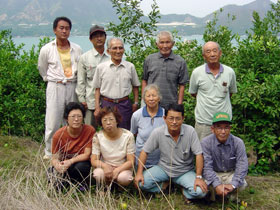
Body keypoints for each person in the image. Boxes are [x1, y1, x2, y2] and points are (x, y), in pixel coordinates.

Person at [134, 104, 207, 204]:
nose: (174, 122)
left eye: (178, 119)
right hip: (163, 168)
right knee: (140, 183)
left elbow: (199, 154)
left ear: (183, 119)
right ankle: (164, 185)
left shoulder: (190, 131)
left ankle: (184, 190)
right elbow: (144, 151)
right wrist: (139, 173)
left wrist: (199, 177)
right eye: (171, 118)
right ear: (165, 118)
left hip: (184, 171)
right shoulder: (158, 132)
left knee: (201, 192)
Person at [38, 16, 82, 159]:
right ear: (55, 30)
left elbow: (80, 69)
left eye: (67, 28)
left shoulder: (77, 49)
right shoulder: (47, 49)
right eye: (61, 28)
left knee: (71, 118)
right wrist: (50, 80)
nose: (64, 31)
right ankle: (50, 152)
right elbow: (42, 68)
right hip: (55, 86)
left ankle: (69, 150)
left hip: (72, 85)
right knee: (53, 119)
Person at [189, 41, 237, 140]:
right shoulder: (197, 72)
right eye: (208, 51)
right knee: (202, 151)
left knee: (224, 151)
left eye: (215, 51)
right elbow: (193, 93)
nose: (212, 54)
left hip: (224, 121)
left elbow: (230, 93)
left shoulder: (229, 72)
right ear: (203, 56)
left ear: (220, 53)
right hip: (204, 122)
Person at [92, 37, 140, 130]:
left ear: (124, 50)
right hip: (107, 104)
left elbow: (135, 86)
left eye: (120, 48)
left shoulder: (130, 67)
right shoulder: (101, 67)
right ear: (108, 51)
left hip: (124, 104)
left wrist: (135, 103)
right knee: (107, 130)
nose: (118, 51)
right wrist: (97, 107)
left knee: (125, 131)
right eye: (114, 48)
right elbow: (97, 89)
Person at [47, 102, 95, 191]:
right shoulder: (58, 135)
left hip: (80, 163)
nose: (76, 119)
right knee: (51, 172)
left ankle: (81, 184)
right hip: (65, 165)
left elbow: (87, 154)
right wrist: (58, 165)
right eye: (73, 117)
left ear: (83, 118)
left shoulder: (89, 130)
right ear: (66, 119)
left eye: (79, 116)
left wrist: (71, 161)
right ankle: (66, 183)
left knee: (82, 167)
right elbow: (54, 158)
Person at [201, 112, 248, 201]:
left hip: (230, 174)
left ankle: (229, 195)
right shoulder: (206, 142)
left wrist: (233, 184)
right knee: (203, 186)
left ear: (230, 128)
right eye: (219, 127)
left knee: (243, 183)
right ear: (212, 129)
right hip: (214, 173)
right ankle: (214, 195)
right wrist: (217, 184)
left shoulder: (238, 142)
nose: (223, 131)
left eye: (226, 127)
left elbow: (242, 165)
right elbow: (207, 167)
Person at [142, 31, 188, 109]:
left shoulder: (180, 62)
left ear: (173, 44)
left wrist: (179, 105)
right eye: (161, 42)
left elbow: (182, 85)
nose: (165, 45)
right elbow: (144, 80)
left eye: (167, 42)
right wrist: (144, 100)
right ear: (157, 44)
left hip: (171, 105)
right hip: (151, 104)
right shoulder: (149, 59)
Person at [91, 106, 136, 188]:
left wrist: (118, 170)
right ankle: (105, 186)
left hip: (122, 167)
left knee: (124, 178)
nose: (108, 123)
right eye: (104, 120)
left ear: (117, 121)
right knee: (98, 174)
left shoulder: (128, 135)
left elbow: (131, 161)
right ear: (101, 123)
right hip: (106, 166)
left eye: (111, 119)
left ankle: (119, 187)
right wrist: (105, 166)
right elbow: (94, 160)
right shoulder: (97, 136)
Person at [76, 25, 109, 128]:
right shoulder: (84, 58)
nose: (99, 38)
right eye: (95, 36)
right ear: (90, 39)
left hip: (108, 100)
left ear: (105, 37)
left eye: (101, 36)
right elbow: (81, 80)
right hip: (90, 101)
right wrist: (82, 99)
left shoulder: (112, 56)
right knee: (89, 130)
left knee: (108, 129)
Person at [130, 84, 165, 169]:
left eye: (154, 95)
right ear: (144, 99)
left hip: (161, 161)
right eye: (148, 96)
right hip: (141, 160)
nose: (151, 99)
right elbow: (132, 134)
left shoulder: (166, 115)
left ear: (159, 98)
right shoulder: (136, 115)